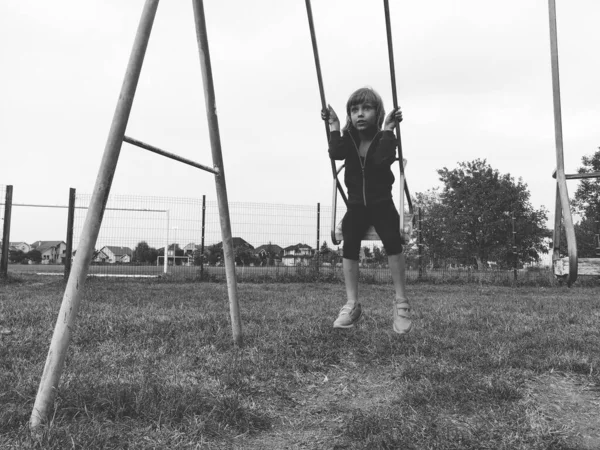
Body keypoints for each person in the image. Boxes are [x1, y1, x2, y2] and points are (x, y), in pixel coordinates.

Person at [322, 86, 411, 334]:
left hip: (382, 203)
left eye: (366, 109)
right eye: (354, 109)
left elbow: (383, 159)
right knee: (349, 239)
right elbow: (336, 152)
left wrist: (388, 129)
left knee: (393, 239)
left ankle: (401, 302)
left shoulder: (384, 138)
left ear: (378, 112)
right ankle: (352, 304)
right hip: (356, 206)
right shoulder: (348, 140)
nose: (360, 114)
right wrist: (334, 126)